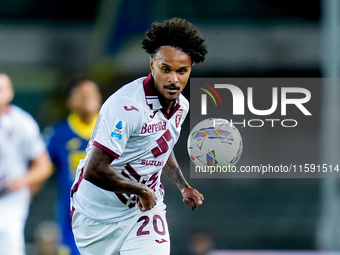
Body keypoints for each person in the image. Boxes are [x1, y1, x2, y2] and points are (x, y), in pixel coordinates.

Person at [70, 17, 208, 255]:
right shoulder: (126, 106)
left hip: (142, 213)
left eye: (182, 71)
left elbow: (160, 147)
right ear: (152, 64)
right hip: (95, 216)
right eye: (166, 69)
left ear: (190, 70)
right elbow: (94, 170)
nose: (174, 79)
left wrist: (182, 186)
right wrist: (141, 190)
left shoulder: (181, 107)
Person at [45, 78, 102, 255]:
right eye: (82, 94)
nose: (88, 98)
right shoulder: (58, 134)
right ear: (70, 101)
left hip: (109, 214)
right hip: (73, 220)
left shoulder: (113, 129)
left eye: (92, 94)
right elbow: (41, 168)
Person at [0, 72, 52, 255]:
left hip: (9, 197)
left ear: (10, 93)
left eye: (2, 88)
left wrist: (21, 183)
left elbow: (43, 165)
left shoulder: (22, 122)